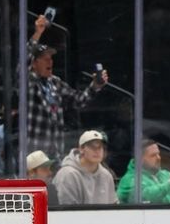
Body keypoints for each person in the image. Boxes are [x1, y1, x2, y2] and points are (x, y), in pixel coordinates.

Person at [28, 14, 109, 160]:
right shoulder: (29, 82)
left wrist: (95, 85)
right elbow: (24, 61)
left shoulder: (55, 82)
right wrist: (38, 33)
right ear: (34, 64)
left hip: (56, 154)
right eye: (45, 59)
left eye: (51, 58)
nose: (50, 61)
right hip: (35, 154)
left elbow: (79, 101)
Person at [116, 139, 170, 204]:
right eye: (153, 155)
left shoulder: (166, 175)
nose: (159, 158)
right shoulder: (130, 180)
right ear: (140, 159)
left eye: (158, 154)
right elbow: (146, 197)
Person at [52, 130, 118, 205]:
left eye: (100, 147)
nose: (97, 151)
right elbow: (66, 211)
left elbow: (114, 205)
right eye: (92, 147)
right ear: (81, 149)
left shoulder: (107, 175)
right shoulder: (67, 174)